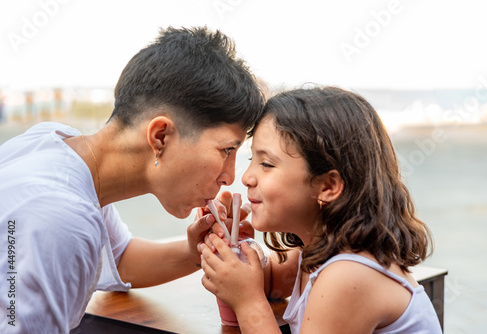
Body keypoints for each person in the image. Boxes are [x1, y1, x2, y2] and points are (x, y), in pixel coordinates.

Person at [0, 26, 264, 333]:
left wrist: (195, 251)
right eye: (226, 150)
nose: (230, 176)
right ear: (160, 135)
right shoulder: (62, 216)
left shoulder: (54, 144)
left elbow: (119, 259)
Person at [200, 86, 443, 333]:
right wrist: (234, 246)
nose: (247, 177)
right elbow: (270, 282)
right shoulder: (316, 255)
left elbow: (252, 296)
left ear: (328, 186)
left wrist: (248, 303)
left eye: (266, 163)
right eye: (251, 159)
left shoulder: (348, 275)